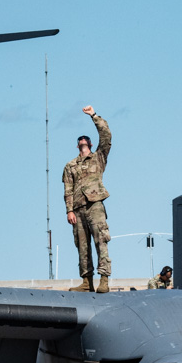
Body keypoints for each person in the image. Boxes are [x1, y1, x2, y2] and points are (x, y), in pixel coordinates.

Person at [64, 105, 113, 294]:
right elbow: (68, 188)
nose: (83, 140)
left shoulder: (98, 158)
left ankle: (104, 279)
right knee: (82, 245)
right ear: (77, 146)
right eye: (80, 140)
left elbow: (107, 136)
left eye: (86, 139)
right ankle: (86, 281)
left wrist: (93, 115)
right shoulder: (70, 165)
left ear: (91, 144)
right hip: (77, 208)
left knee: (101, 240)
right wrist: (69, 210)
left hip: (95, 204)